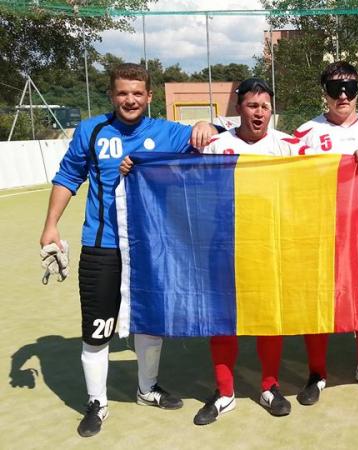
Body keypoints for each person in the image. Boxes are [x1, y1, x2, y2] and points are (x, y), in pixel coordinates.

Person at [39, 63, 217, 437]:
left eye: (137, 93)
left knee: (148, 321)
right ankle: (96, 402)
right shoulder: (92, 130)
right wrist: (51, 226)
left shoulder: (168, 132)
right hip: (101, 247)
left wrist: (207, 126)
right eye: (122, 93)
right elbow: (68, 177)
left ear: (149, 96)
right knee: (97, 328)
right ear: (112, 95)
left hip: (149, 248)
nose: (130, 100)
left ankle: (146, 388)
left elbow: (215, 138)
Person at [284, 61, 358, 406]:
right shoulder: (305, 134)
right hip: (320, 231)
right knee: (318, 299)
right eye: (335, 89)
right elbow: (286, 178)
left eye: (350, 87)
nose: (343, 95)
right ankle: (317, 374)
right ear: (324, 94)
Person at [186, 78, 294, 425]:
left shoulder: (288, 146)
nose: (259, 113)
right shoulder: (216, 144)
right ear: (238, 108)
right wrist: (136, 165)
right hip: (224, 246)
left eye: (264, 106)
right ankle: (225, 392)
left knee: (268, 318)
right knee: (222, 321)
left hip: (269, 245)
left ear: (271, 110)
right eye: (251, 105)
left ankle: (269, 386)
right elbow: (176, 171)